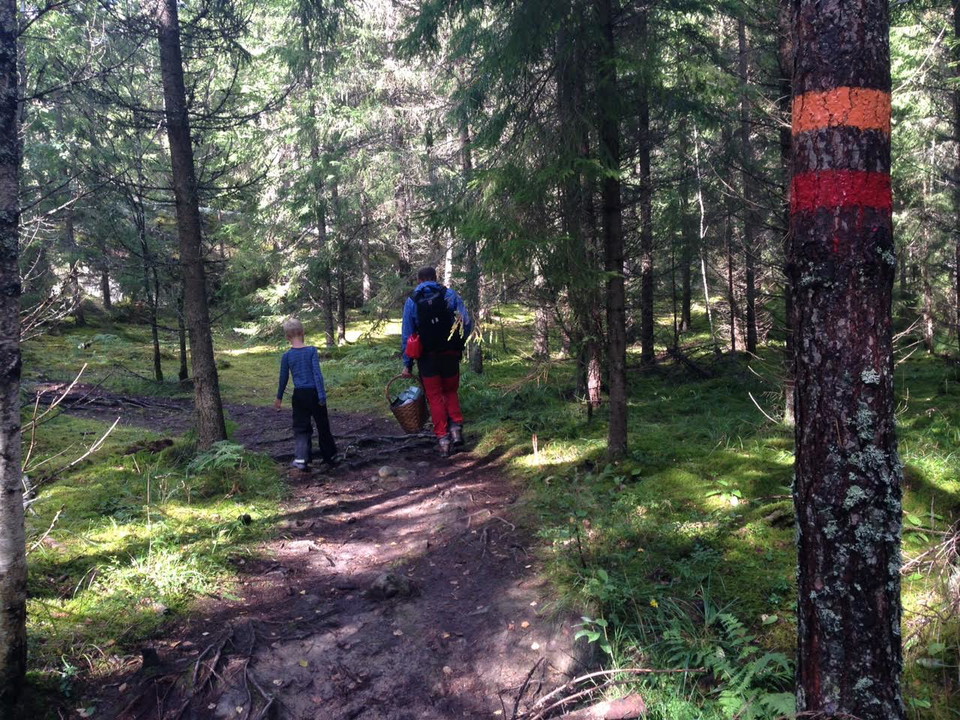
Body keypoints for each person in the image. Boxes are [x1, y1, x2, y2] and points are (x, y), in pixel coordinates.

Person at [401, 266, 473, 456]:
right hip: (450, 353)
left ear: (419, 281)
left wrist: (407, 364)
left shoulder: (412, 301)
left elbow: (408, 335)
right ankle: (456, 429)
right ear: (435, 277)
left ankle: (443, 439)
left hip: (427, 358)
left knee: (434, 397)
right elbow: (467, 320)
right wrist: (460, 343)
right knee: (450, 391)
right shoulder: (449, 294)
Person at [274, 318, 338, 472]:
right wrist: (322, 396)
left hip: (299, 395)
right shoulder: (311, 351)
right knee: (322, 425)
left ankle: (302, 459)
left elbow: (283, 378)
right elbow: (317, 374)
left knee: (301, 427)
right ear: (303, 333)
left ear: (287, 337)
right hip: (314, 393)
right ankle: (330, 457)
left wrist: (279, 397)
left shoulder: (287, 356)